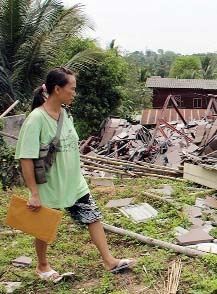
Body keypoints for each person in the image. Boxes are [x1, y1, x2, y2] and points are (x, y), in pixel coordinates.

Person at [15, 67, 135, 283]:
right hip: (50, 185)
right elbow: (26, 158)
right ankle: (42, 266)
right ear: (57, 89)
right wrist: (33, 193)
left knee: (93, 217)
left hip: (74, 182)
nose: (75, 93)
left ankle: (109, 260)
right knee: (44, 226)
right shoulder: (36, 119)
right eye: (72, 89)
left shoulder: (65, 114)